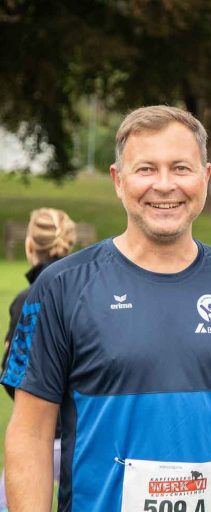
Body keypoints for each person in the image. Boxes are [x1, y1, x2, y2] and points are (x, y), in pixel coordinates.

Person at [2, 106, 211, 512]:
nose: (165, 185)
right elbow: (30, 432)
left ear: (205, 177)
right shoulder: (61, 287)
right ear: (118, 181)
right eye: (146, 169)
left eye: (181, 168)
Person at [0, 208, 76, 512]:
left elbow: (14, 376)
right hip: (83, 438)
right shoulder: (88, 293)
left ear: (30, 245)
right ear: (69, 243)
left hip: (42, 440)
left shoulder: (27, 299)